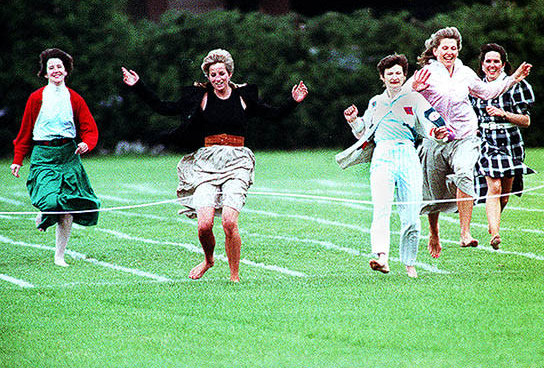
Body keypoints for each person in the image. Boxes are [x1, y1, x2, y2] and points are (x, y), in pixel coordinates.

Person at [121, 49, 308, 282]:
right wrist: (138, 85)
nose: (217, 78)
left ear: (229, 73)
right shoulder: (199, 97)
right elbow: (163, 107)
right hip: (206, 163)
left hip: (237, 162)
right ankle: (209, 260)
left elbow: (274, 114)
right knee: (204, 225)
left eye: (221, 73)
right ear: (207, 77)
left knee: (229, 221)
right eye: (212, 74)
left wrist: (294, 101)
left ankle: (234, 277)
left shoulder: (243, 96)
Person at [408, 27, 532, 258]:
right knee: (434, 190)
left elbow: (487, 91)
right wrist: (414, 91)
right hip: (435, 139)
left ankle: (465, 233)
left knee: (465, 173)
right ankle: (434, 232)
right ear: (435, 51)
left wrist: (513, 78)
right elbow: (404, 103)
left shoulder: (465, 73)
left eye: (453, 48)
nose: (449, 52)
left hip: (465, 136)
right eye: (445, 48)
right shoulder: (425, 73)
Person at [338, 54, 450, 277]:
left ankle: (409, 263)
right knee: (381, 208)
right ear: (382, 77)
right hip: (382, 155)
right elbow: (364, 133)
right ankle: (382, 257)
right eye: (390, 74)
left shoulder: (414, 99)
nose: (395, 77)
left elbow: (430, 124)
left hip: (408, 154)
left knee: (410, 214)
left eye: (398, 73)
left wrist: (437, 134)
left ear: (404, 75)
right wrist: (353, 121)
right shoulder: (375, 102)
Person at [10, 48, 100, 267]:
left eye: (59, 67)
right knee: (50, 201)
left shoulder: (75, 98)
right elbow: (25, 132)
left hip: (69, 154)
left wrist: (86, 143)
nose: (56, 70)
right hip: (43, 154)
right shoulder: (36, 98)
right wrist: (17, 159)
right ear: (46, 73)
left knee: (68, 206)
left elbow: (90, 129)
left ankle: (59, 255)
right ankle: (45, 213)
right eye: (51, 68)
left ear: (66, 71)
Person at [470, 43, 536, 249]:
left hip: (510, 140)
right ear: (481, 65)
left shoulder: (518, 86)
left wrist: (504, 114)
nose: (492, 65)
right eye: (488, 61)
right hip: (486, 141)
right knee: (494, 186)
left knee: (504, 196)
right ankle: (495, 233)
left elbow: (526, 121)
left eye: (496, 61)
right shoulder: (474, 87)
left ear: (503, 64)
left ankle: (494, 221)